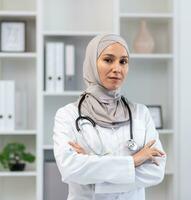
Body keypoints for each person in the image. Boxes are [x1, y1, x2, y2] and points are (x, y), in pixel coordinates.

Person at [53, 34, 166, 200]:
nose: (117, 68)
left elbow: (156, 171)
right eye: (108, 60)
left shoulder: (141, 113)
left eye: (123, 61)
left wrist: (92, 171)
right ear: (92, 62)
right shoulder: (68, 115)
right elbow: (69, 168)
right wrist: (134, 161)